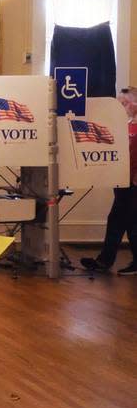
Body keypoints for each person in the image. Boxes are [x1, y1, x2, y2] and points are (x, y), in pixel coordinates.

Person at [82, 86, 137, 276]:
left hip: (134, 184)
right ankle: (105, 260)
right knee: (121, 220)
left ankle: (106, 261)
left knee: (128, 221)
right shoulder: (124, 124)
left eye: (126, 102)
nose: (123, 106)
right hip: (121, 181)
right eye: (120, 103)